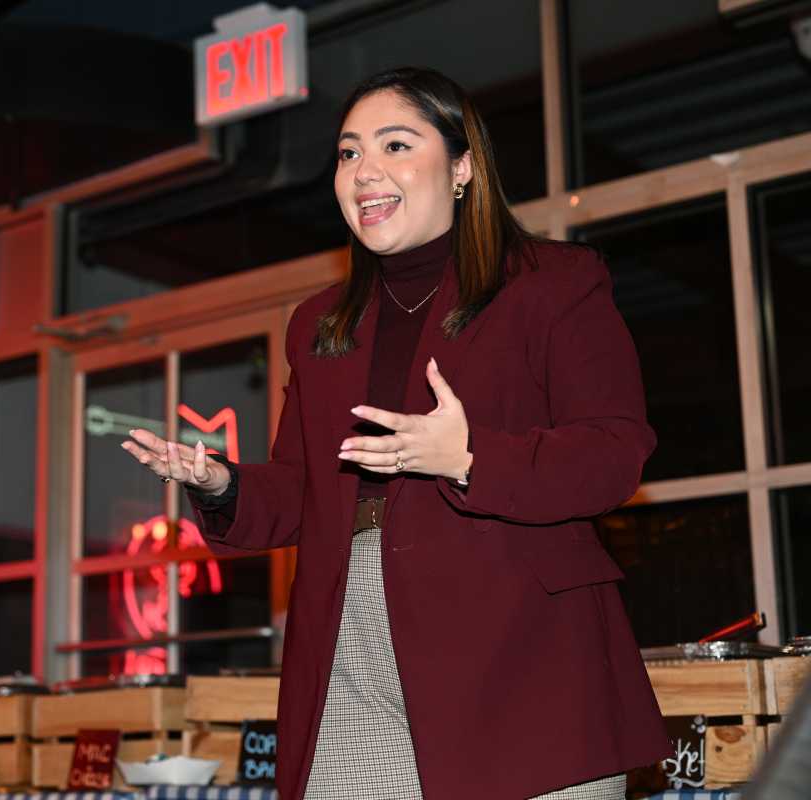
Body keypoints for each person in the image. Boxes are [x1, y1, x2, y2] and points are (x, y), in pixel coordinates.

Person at [121, 67, 670, 800]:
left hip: (525, 660)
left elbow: (613, 453)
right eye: (349, 154)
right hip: (354, 653)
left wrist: (469, 459)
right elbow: (305, 490)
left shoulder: (555, 283)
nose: (364, 171)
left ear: (463, 166)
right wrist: (222, 483)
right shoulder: (319, 325)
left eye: (395, 145)